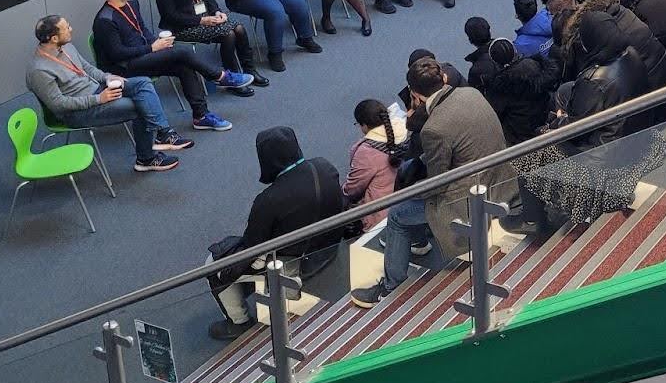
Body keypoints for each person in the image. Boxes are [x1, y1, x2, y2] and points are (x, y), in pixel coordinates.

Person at [352, 56, 508, 306]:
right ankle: (419, 240)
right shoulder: (472, 94)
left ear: (415, 94)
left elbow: (437, 183)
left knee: (397, 215)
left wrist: (411, 189)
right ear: (444, 78)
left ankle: (391, 286)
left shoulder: (434, 128)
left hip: (466, 200)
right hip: (499, 180)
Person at [504, 9, 666, 235]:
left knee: (529, 153)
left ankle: (533, 220)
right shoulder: (631, 53)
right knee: (563, 91)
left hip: (602, 156)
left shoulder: (595, 80)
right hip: (635, 134)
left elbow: (576, 130)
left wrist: (556, 124)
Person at [207, 127, 345, 340]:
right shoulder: (324, 166)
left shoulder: (268, 199)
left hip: (290, 263)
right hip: (328, 249)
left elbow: (253, 245)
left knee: (213, 263)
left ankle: (239, 321)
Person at [26, 14, 191, 174]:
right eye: (66, 27)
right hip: (77, 112)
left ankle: (163, 132)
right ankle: (146, 159)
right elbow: (59, 105)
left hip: (97, 90)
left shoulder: (66, 47)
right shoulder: (39, 70)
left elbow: (87, 68)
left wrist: (107, 77)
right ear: (53, 38)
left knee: (142, 82)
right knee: (139, 106)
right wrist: (99, 99)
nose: (71, 29)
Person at [91, 0, 248, 131]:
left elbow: (142, 29)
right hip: (124, 68)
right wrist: (152, 48)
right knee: (181, 53)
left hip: (145, 56)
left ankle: (201, 116)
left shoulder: (132, 2)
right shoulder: (105, 20)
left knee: (183, 66)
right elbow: (117, 54)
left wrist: (156, 42)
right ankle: (219, 76)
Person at [154, 0, 265, 87]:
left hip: (206, 17)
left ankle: (250, 70)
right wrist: (201, 21)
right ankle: (232, 76)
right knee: (228, 34)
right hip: (183, 26)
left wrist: (217, 11)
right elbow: (170, 15)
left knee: (239, 28)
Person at [341, 98, 407, 230]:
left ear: (364, 125)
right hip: (406, 205)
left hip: (381, 217)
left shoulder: (366, 152)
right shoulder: (406, 130)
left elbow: (352, 189)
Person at [482, 38, 557, 144]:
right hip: (546, 120)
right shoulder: (536, 65)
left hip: (521, 137)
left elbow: (496, 114)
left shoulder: (498, 87)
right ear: (515, 51)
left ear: (495, 62)